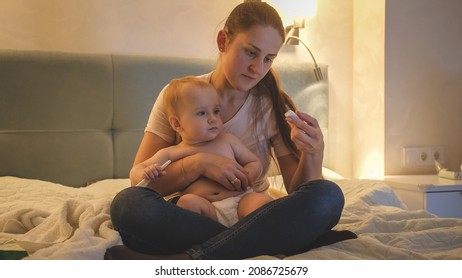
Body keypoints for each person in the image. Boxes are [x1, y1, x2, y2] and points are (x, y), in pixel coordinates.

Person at [106, 0, 356, 260]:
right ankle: (257, 242)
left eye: (268, 59)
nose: (257, 69)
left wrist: (314, 153)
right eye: (250, 52)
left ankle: (190, 258)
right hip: (195, 215)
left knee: (327, 196)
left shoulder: (272, 105)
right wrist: (199, 164)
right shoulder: (180, 97)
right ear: (223, 40)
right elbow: (141, 184)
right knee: (128, 205)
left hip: (248, 208)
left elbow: (300, 192)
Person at [132, 76, 273, 227]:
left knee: (263, 203)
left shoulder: (227, 140)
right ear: (177, 124)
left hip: (240, 200)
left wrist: (246, 175)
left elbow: (253, 162)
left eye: (216, 111)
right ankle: (225, 240)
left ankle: (234, 239)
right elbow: (136, 174)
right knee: (187, 202)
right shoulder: (171, 153)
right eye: (202, 113)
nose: (213, 119)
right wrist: (148, 172)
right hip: (207, 210)